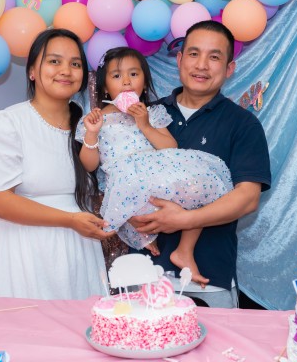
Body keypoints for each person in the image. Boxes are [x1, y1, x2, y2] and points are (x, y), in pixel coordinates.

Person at [131, 20, 271, 308]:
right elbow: (119, 175)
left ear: (229, 69)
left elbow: (247, 198)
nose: (202, 65)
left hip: (209, 280)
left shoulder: (243, 124)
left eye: (214, 57)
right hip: (143, 275)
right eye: (194, 54)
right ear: (180, 60)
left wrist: (185, 220)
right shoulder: (147, 115)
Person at [76, 47, 233, 286]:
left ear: (144, 82)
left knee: (201, 186)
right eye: (117, 76)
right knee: (135, 207)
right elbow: (89, 165)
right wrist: (91, 134)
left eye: (133, 74)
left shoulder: (152, 113)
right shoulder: (96, 120)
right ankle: (145, 236)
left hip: (156, 175)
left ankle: (185, 250)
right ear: (105, 86)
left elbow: (170, 147)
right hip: (126, 182)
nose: (126, 81)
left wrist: (145, 124)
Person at [0, 28, 115, 300]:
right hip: (27, 252)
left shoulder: (88, 126)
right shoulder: (8, 122)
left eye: (75, 64)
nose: (66, 70)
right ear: (32, 71)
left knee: (81, 322)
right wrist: (70, 220)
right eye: (54, 61)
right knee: (31, 323)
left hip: (79, 249)